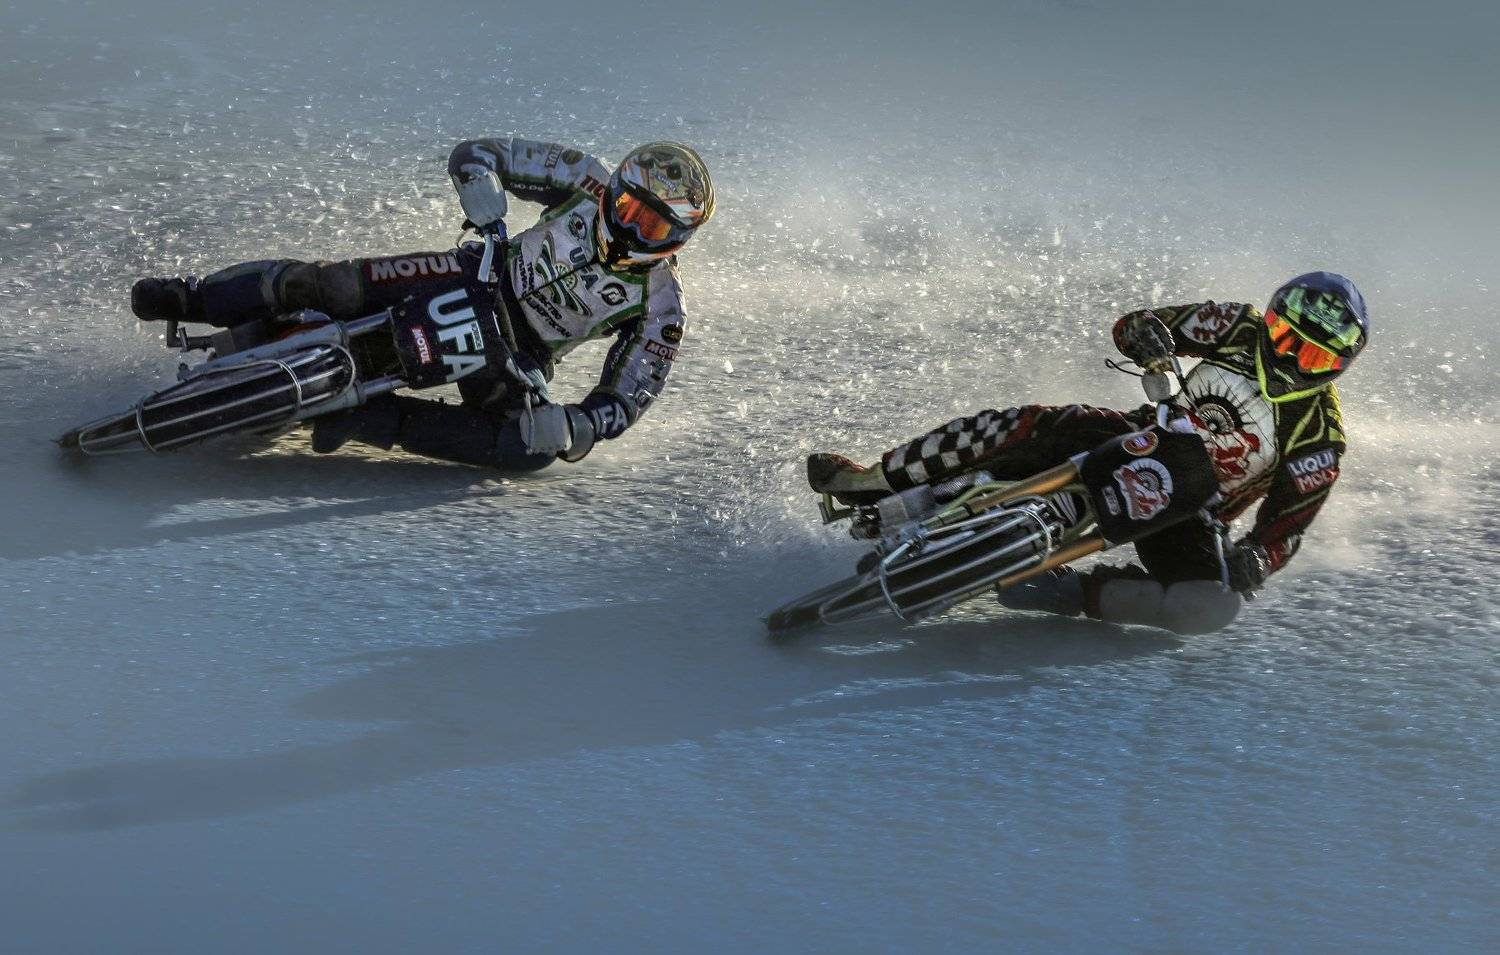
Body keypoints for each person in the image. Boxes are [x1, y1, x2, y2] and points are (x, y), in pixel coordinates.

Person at [808, 272, 1369, 634]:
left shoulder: (1321, 436)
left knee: (1211, 606)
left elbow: (1287, 525)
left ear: (1338, 367)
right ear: (1269, 319)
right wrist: (1148, 337)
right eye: (1286, 338)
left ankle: (1069, 593)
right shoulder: (1236, 324)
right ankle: (873, 481)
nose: (1291, 360)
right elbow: (1135, 326)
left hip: (1190, 511)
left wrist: (1258, 560)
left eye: (1314, 358)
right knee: (1048, 423)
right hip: (1139, 438)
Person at [130, 138, 715, 469]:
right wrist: (482, 192)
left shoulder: (662, 308)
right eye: (631, 210)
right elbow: (481, 152)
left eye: (655, 228)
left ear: (678, 240)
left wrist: (578, 424)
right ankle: (194, 297)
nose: (633, 231)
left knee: (526, 449)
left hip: (519, 352)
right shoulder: (583, 178)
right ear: (615, 191)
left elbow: (630, 394)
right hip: (478, 271)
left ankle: (361, 419)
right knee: (337, 285)